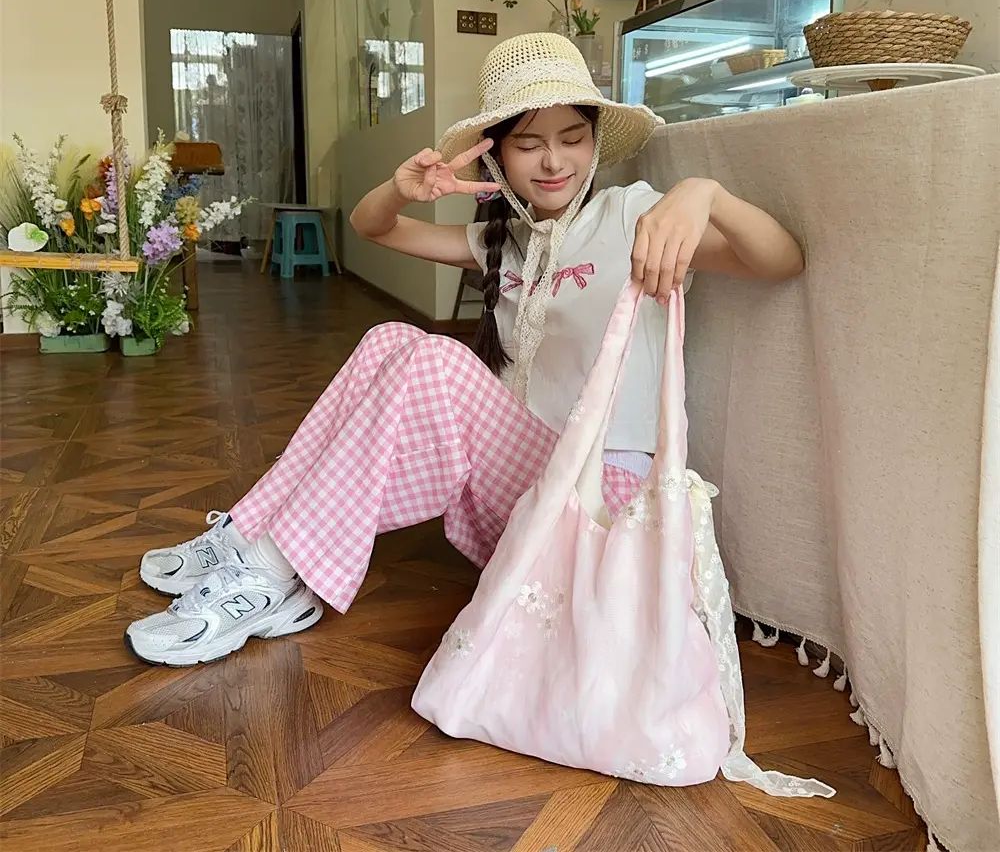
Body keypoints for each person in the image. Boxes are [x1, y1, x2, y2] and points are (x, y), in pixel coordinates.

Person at [125, 33, 804, 667]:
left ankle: (275, 569)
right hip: (521, 493)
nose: (554, 161)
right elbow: (372, 227)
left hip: (600, 503)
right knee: (390, 338)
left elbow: (782, 260)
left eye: (572, 138)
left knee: (437, 361)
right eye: (529, 144)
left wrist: (703, 194)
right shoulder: (501, 242)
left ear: (595, 143)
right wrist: (401, 189)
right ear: (496, 157)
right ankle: (251, 538)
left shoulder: (632, 216)